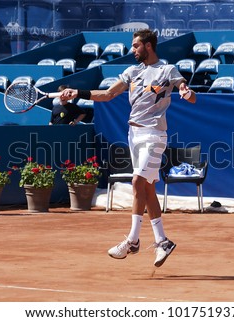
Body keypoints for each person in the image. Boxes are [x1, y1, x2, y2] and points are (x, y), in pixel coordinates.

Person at [60, 29, 196, 267]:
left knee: (136, 182)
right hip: (134, 135)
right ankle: (162, 241)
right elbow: (108, 94)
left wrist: (186, 92)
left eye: (136, 46)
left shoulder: (167, 70)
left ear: (149, 46)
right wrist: (77, 94)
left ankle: (133, 240)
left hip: (154, 134)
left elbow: (186, 90)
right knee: (148, 189)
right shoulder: (132, 72)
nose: (132, 50)